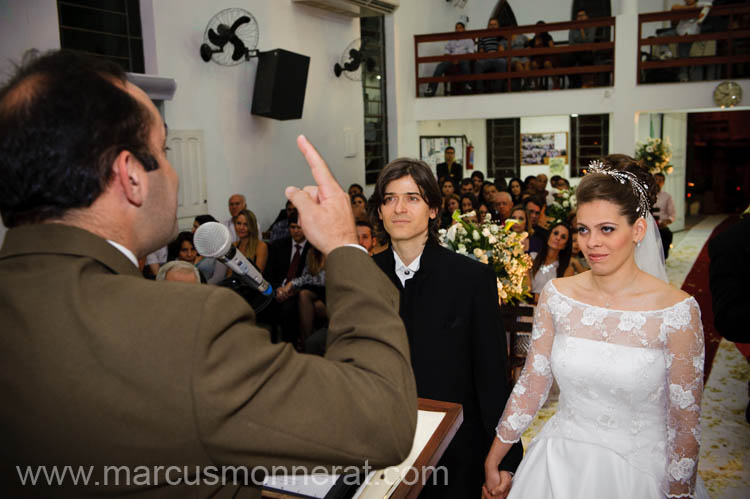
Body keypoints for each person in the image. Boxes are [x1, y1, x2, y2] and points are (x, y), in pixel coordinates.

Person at [0, 49, 417, 497]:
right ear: (131, 176)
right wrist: (344, 247)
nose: (175, 173)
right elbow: (383, 419)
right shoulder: (183, 328)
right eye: (163, 150)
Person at [483, 155, 706, 499]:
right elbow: (532, 383)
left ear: (639, 230)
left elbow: (684, 424)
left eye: (607, 229)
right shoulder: (558, 296)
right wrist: (495, 456)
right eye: (583, 230)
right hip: (558, 464)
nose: (592, 243)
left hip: (639, 474)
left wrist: (678, 492)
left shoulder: (676, 311)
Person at [370, 158, 523, 498]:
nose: (399, 208)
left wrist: (504, 457)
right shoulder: (362, 278)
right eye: (389, 198)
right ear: (379, 211)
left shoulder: (471, 278)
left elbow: (491, 375)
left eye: (412, 198)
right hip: (381, 446)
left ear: (434, 209)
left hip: (454, 451)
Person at [425, 22, 475, 96]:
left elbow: (470, 52)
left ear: (464, 29)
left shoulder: (468, 39)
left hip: (463, 58)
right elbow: (446, 51)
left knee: (465, 64)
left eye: (460, 28)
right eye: (456, 28)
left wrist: (459, 58)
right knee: (440, 66)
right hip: (451, 59)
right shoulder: (452, 40)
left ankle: (467, 87)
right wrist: (451, 58)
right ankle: (431, 89)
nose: (458, 30)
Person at [529, 221, 575, 298]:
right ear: (549, 235)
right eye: (555, 233)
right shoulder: (531, 258)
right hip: (525, 306)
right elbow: (525, 289)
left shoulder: (567, 270)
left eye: (563, 237)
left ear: (565, 245)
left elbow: (561, 298)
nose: (558, 238)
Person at [474, 18, 508, 93]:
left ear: (498, 26)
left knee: (503, 62)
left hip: (498, 58)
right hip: (487, 58)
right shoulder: (483, 36)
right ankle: (480, 90)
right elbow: (481, 50)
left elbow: (504, 49)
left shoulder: (502, 36)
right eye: (491, 25)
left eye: (495, 24)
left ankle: (497, 89)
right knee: (478, 63)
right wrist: (484, 55)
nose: (492, 26)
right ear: (488, 26)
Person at [565, 9, 596, 88]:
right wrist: (582, 41)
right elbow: (571, 43)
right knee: (567, 60)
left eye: (582, 15)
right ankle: (574, 83)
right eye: (579, 16)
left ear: (587, 17)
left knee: (586, 58)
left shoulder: (592, 27)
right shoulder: (572, 29)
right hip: (575, 51)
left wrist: (582, 30)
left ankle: (587, 82)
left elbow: (589, 41)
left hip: (587, 51)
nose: (580, 18)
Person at [652, 172, 676, 259]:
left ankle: (662, 258)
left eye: (660, 181)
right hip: (646, 225)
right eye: (655, 180)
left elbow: (672, 215)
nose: (657, 182)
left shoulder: (667, 196)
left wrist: (666, 222)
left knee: (667, 234)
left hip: (660, 226)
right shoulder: (645, 194)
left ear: (663, 183)